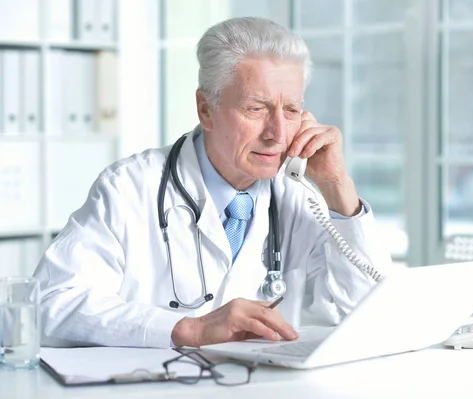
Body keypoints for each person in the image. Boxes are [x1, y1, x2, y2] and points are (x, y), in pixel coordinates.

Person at [34, 17, 392, 349]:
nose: (277, 134)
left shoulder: (297, 196)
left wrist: (336, 186)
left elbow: (370, 314)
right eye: (256, 108)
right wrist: (188, 329)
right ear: (205, 109)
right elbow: (50, 303)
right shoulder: (129, 188)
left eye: (291, 110)